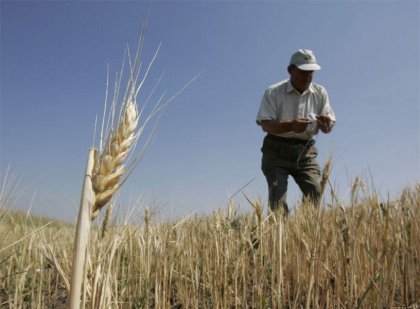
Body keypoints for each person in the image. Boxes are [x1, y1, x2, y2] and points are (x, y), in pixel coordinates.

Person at [256, 49, 336, 215]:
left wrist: (326, 124)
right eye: (303, 72)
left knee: (315, 194)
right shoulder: (273, 92)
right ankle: (280, 237)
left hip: (305, 151)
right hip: (276, 151)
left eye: (311, 73)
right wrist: (291, 126)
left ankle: (310, 236)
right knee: (278, 202)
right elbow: (266, 125)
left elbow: (328, 127)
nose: (307, 77)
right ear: (290, 70)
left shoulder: (320, 93)